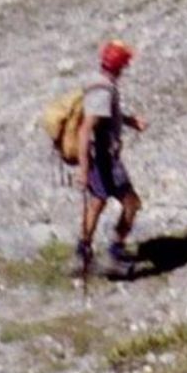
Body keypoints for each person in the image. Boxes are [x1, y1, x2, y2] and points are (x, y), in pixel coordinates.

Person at [75, 38, 146, 275]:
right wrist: (83, 170)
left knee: (97, 202)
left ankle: (82, 252)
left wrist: (128, 121)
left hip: (99, 158)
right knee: (132, 203)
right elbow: (86, 129)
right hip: (105, 160)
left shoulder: (98, 84)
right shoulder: (103, 90)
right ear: (121, 65)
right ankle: (115, 253)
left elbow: (102, 116)